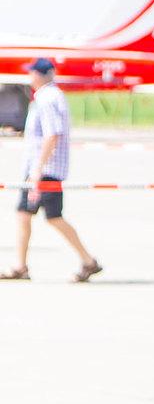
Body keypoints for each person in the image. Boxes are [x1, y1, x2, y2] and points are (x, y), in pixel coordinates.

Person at [4, 58, 101, 283]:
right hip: (40, 168)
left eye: (33, 73)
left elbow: (52, 134)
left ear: (41, 74)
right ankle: (21, 265)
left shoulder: (48, 98)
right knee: (24, 215)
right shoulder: (49, 96)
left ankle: (88, 260)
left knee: (54, 217)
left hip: (46, 170)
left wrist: (38, 170)